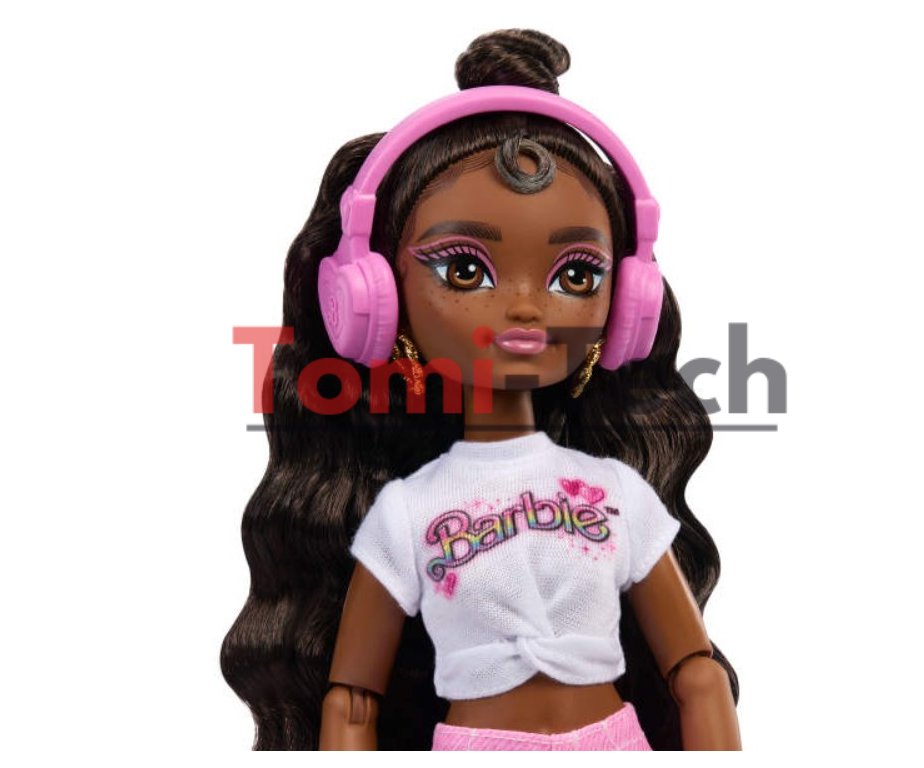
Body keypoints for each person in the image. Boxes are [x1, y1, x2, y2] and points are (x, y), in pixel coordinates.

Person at [222, 28, 740, 751]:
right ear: (371, 299)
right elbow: (353, 702)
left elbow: (696, 674)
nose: (525, 308)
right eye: (464, 271)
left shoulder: (618, 493)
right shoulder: (405, 513)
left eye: (577, 275)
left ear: (627, 306)